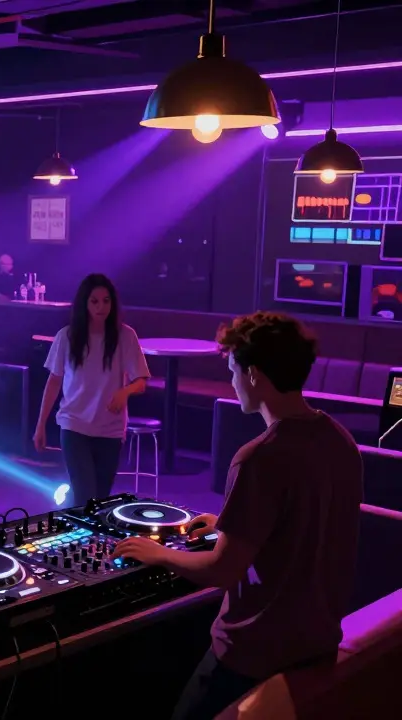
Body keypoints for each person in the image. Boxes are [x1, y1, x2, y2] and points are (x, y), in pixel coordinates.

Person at [114, 312, 362, 720]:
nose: (231, 381)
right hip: (317, 645)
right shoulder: (340, 440)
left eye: (232, 370)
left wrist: (157, 553)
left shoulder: (258, 458)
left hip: (253, 654)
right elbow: (304, 523)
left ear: (253, 375)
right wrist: (228, 525)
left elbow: (221, 570)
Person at [34, 274, 150, 503]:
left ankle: (77, 522)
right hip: (74, 424)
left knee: (99, 500)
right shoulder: (66, 337)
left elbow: (141, 381)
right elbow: (54, 381)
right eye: (94, 301)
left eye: (106, 301)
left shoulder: (125, 336)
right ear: (84, 303)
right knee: (85, 495)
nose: (101, 307)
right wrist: (41, 425)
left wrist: (124, 392)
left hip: (110, 428)